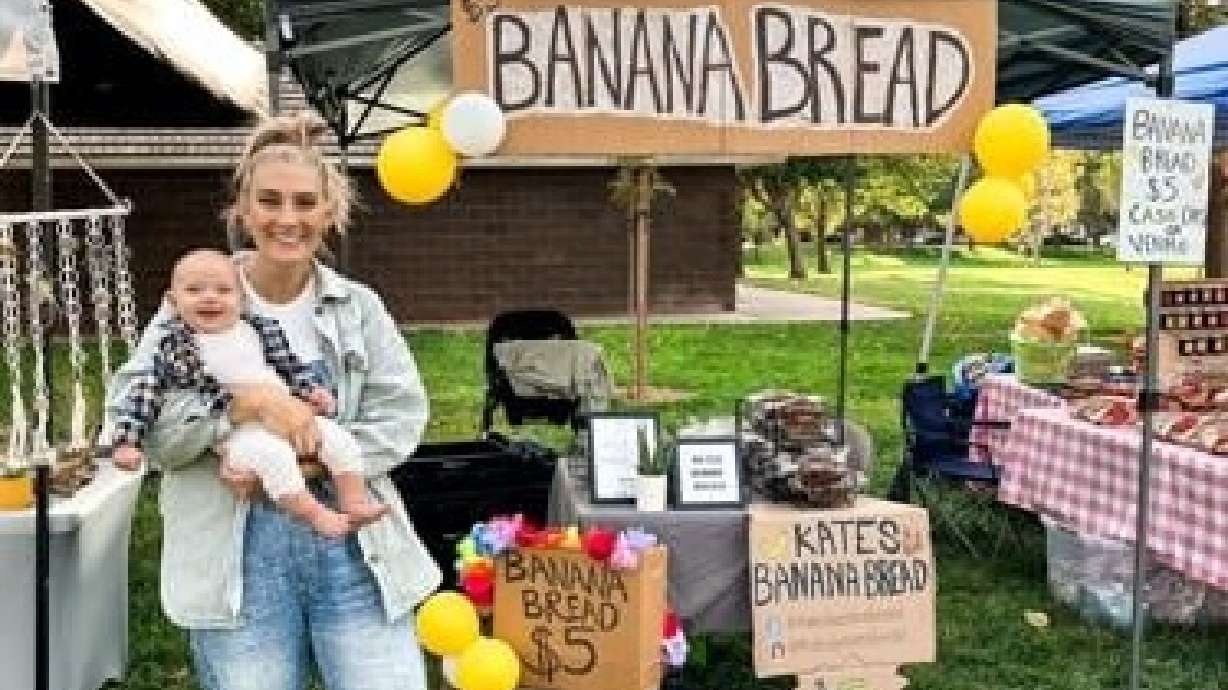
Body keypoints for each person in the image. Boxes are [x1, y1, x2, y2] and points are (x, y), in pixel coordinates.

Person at [103, 111, 440, 690]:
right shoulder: (194, 302)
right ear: (242, 208)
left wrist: (300, 463)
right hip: (236, 551)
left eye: (306, 203)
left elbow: (402, 416)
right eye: (271, 201)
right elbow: (138, 421)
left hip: (358, 550)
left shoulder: (358, 307)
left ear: (329, 213)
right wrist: (246, 405)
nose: (288, 219)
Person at [110, 248, 387, 538]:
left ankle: (354, 501)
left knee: (340, 442)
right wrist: (127, 442)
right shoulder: (176, 345)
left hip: (291, 418)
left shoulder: (257, 330)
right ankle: (316, 515)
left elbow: (290, 366)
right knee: (275, 459)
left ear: (242, 299)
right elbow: (144, 393)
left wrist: (311, 390)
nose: (209, 297)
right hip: (237, 433)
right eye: (194, 290)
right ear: (173, 302)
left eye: (223, 290)